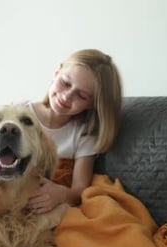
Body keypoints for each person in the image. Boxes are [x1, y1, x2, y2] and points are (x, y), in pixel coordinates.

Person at [24, 49, 122, 214]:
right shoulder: (19, 114)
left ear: (92, 104)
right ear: (57, 72)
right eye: (65, 83)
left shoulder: (84, 134)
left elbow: (79, 189)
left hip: (52, 209)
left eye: (81, 96)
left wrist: (60, 194)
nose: (67, 96)